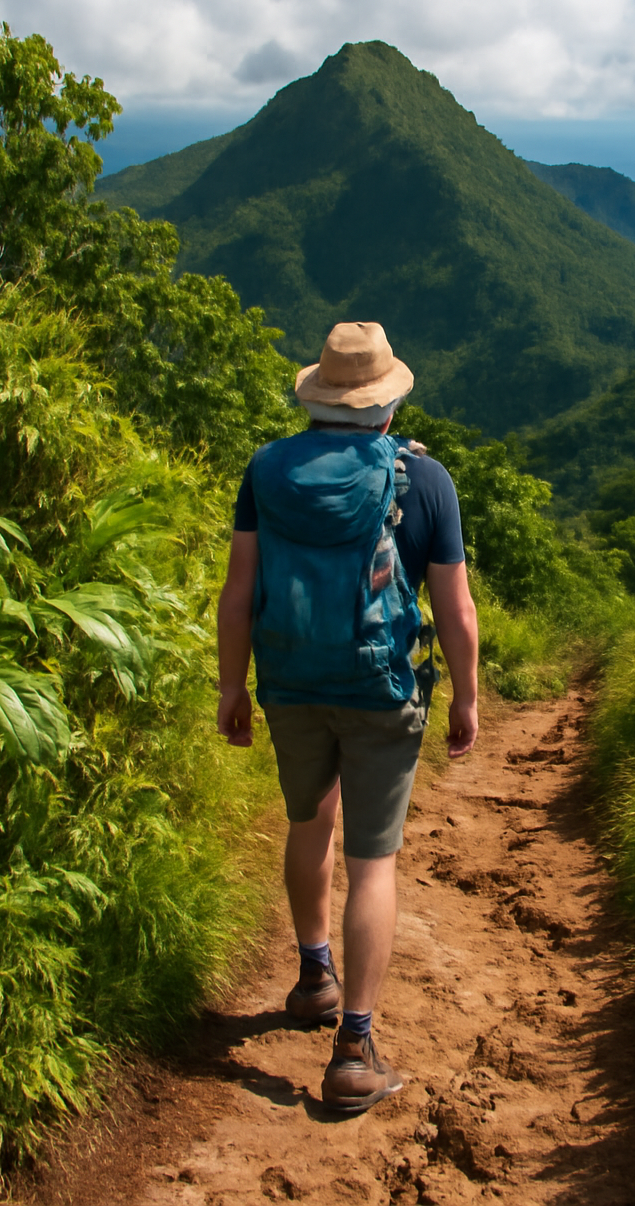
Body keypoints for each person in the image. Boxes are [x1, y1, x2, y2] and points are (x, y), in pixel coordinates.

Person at [216, 321, 479, 1114]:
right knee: (374, 863)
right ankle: (356, 1048)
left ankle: (312, 974)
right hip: (381, 687)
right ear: (387, 404)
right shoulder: (423, 481)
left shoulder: (266, 469)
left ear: (320, 399)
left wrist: (232, 687)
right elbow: (455, 608)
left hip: (290, 680)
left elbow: (238, 592)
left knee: (308, 824)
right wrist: (466, 696)